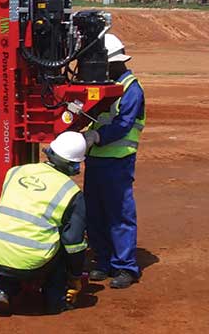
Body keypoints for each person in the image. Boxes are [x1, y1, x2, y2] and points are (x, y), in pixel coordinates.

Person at [0, 131, 88, 316]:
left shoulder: (16, 172)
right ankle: (56, 301)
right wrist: (75, 275)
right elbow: (74, 243)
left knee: (12, 243)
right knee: (62, 247)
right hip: (31, 261)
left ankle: (3, 291)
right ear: (74, 164)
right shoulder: (71, 192)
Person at [83, 33, 145, 289]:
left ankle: (125, 267)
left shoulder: (131, 89)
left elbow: (123, 124)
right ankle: (103, 261)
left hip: (118, 162)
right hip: (95, 160)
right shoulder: (102, 85)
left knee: (119, 214)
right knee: (95, 213)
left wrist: (97, 136)